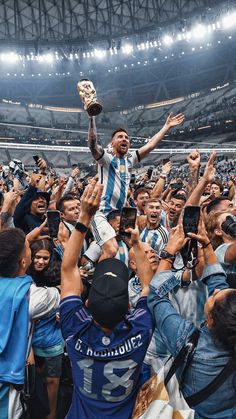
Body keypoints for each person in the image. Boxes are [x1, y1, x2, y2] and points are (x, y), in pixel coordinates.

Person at [60, 180, 154, 418]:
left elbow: (68, 269)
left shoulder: (75, 326)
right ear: (129, 308)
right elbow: (147, 286)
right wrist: (136, 244)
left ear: (87, 304)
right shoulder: (140, 330)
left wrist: (83, 219)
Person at [148, 219, 236, 418]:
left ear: (211, 321)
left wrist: (168, 253)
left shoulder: (188, 340)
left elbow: (155, 296)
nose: (213, 292)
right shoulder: (229, 325)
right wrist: (206, 245)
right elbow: (218, 282)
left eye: (212, 297)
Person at [88, 112, 185, 259]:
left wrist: (166, 126)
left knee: (135, 248)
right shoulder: (106, 159)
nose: (124, 139)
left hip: (121, 215)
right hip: (102, 212)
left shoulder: (129, 160)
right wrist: (92, 117)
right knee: (111, 249)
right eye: (120, 137)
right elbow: (93, 144)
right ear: (112, 143)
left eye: (126, 137)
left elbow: (150, 145)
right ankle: (98, 277)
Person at [0, 228, 60, 419]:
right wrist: (82, 225)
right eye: (28, 248)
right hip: (7, 382)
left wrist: (20, 240)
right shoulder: (29, 297)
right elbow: (73, 289)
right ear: (25, 262)